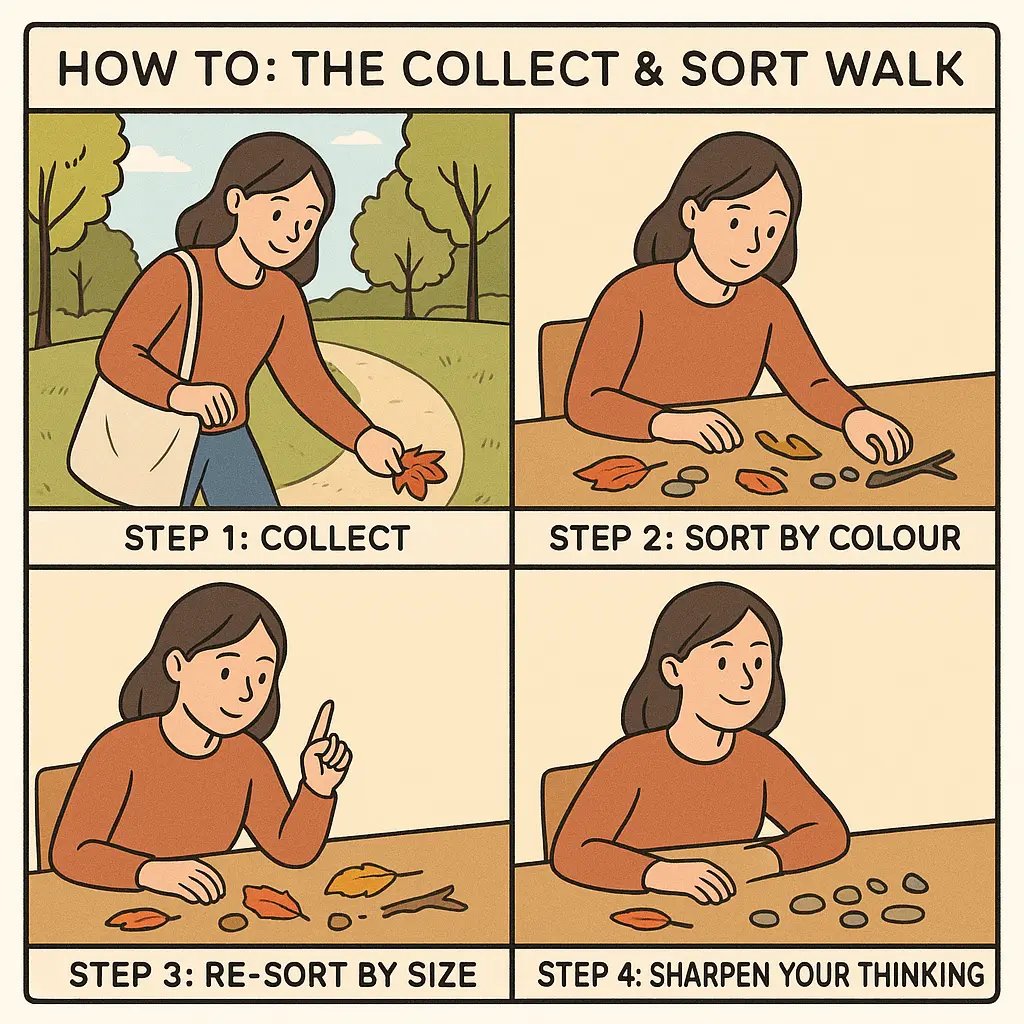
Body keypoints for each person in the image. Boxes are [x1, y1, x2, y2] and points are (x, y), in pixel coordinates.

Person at [94, 132, 405, 507]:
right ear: (236, 201)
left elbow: (307, 382)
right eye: (278, 213)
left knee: (261, 532)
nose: (292, 233)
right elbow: (116, 354)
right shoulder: (177, 273)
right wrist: (180, 394)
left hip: (229, 441)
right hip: (161, 431)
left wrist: (362, 436)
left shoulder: (283, 295)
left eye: (308, 223)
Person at [565, 132, 913, 466]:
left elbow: (810, 382)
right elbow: (587, 402)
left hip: (719, 460)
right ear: (692, 214)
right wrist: (668, 423)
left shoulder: (767, 302)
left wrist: (853, 415)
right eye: (735, 222)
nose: (753, 244)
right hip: (629, 454)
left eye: (772, 230)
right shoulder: (631, 295)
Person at [50, 584, 351, 903]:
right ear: (177, 665)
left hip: (200, 910)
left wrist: (317, 788)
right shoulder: (121, 749)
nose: (246, 693)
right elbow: (71, 853)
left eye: (262, 677)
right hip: (115, 905)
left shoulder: (247, 756)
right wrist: (149, 872)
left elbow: (289, 850)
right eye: (226, 671)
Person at [551, 582, 849, 898]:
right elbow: (573, 852)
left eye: (758, 663)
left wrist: (765, 858)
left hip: (727, 905)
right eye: (723, 662)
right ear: (673, 670)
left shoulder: (760, 755)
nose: (746, 680)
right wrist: (658, 873)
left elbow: (828, 832)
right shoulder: (631, 759)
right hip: (638, 909)